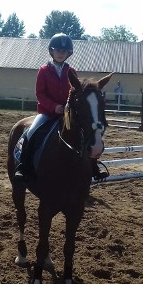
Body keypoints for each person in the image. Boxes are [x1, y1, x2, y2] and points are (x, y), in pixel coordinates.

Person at [14, 33, 108, 182]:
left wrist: (69, 107)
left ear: (68, 53)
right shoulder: (44, 70)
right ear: (51, 51)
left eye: (63, 51)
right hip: (47, 113)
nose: (60, 53)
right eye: (57, 50)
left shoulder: (71, 71)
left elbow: (76, 92)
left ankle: (93, 166)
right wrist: (54, 107)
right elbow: (40, 93)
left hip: (67, 113)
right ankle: (23, 166)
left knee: (87, 133)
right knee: (31, 132)